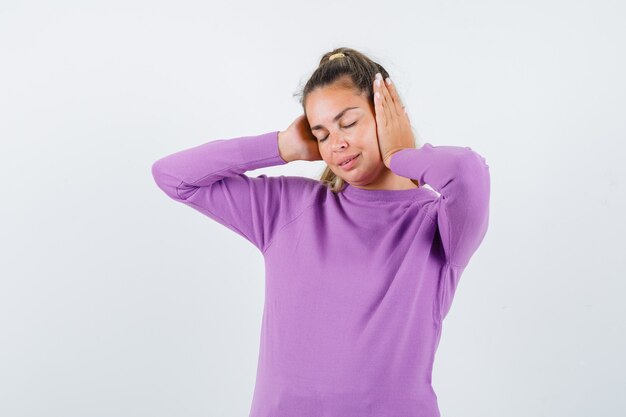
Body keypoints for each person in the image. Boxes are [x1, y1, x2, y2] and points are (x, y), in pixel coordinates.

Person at [151, 47, 490, 417]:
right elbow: (174, 177)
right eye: (322, 133)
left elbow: (467, 172)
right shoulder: (288, 209)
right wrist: (281, 146)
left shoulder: (437, 223)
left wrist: (399, 153)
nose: (337, 143)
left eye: (348, 122)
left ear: (389, 116)